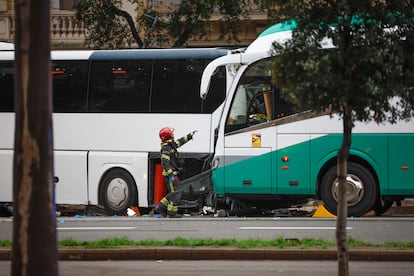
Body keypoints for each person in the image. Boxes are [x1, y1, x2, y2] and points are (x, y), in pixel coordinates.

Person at [154, 127, 196, 218]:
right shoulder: (166, 148)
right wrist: (170, 175)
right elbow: (165, 163)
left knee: (173, 192)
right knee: (176, 193)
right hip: (171, 175)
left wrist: (188, 137)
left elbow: (179, 142)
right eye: (171, 134)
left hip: (173, 173)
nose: (173, 135)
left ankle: (160, 208)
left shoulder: (170, 145)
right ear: (167, 136)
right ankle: (172, 213)